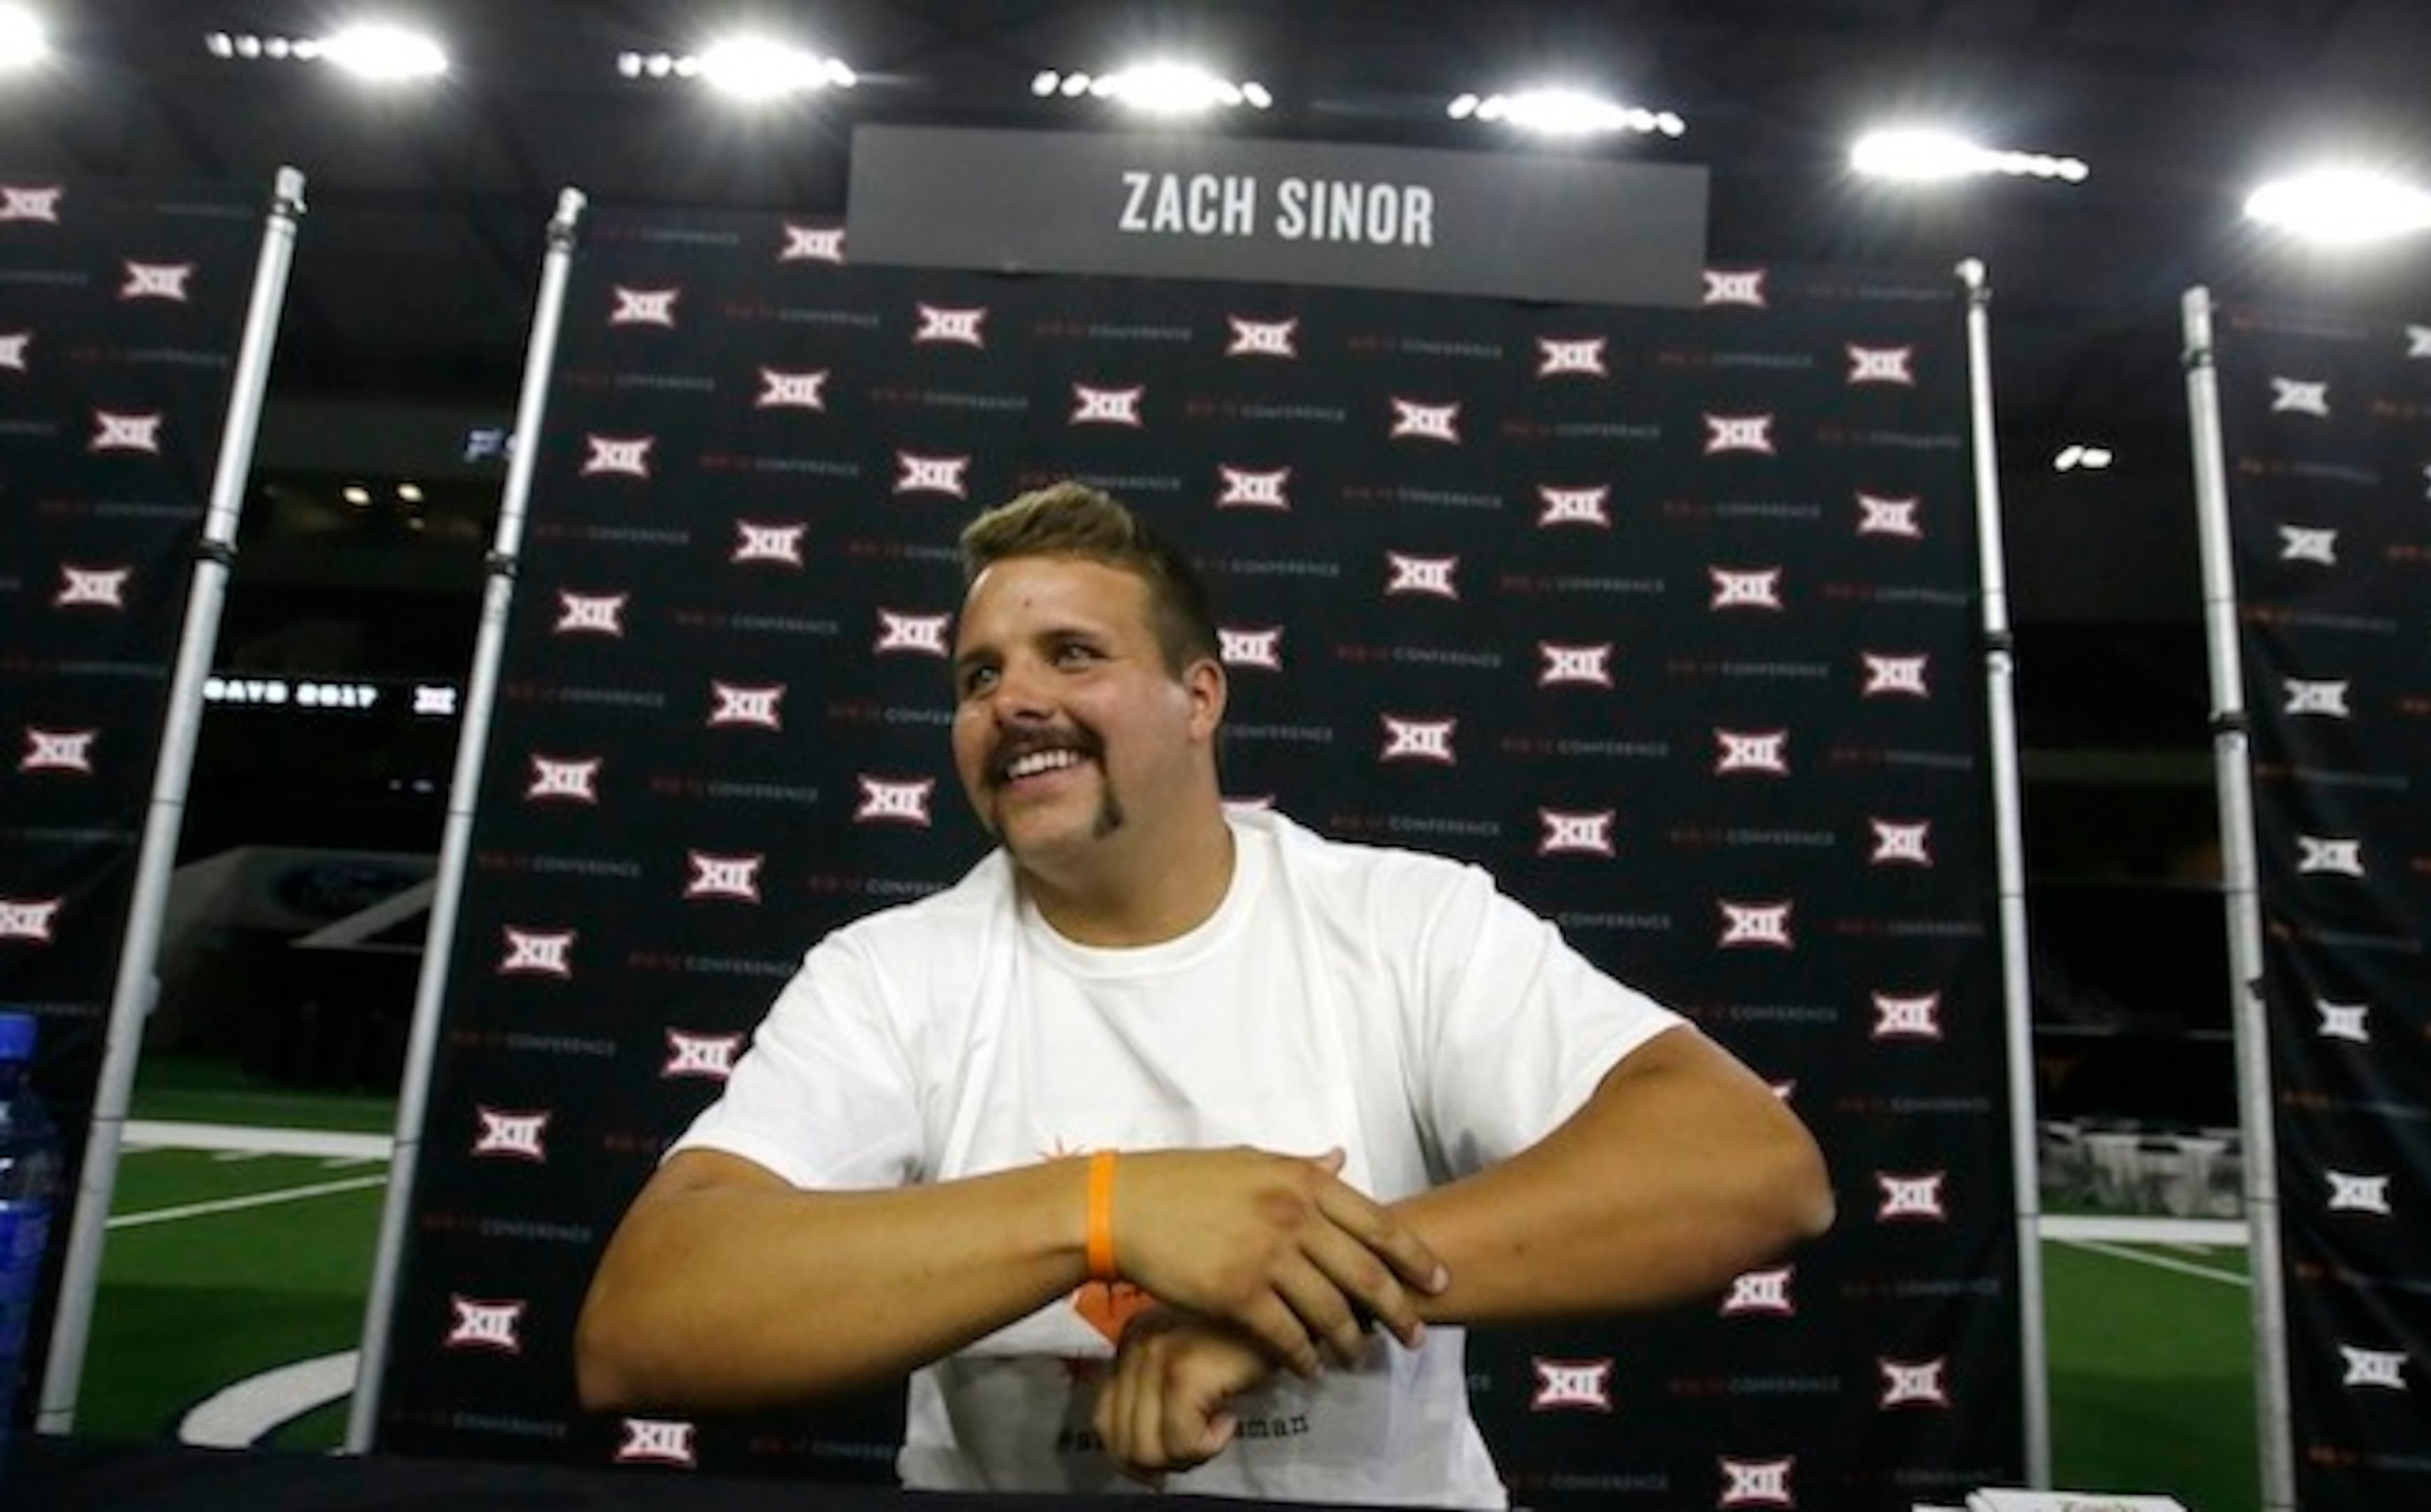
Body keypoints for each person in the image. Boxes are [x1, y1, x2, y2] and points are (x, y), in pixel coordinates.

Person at [576, 481, 1834, 1505]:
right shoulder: (890, 975)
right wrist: (1110, 1208)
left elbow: (1750, 1166)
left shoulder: (1403, 921)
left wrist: (1269, 1304)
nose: (1012, 698)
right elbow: (644, 1324)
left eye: (1072, 654)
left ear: (1200, 698)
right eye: (976, 676)